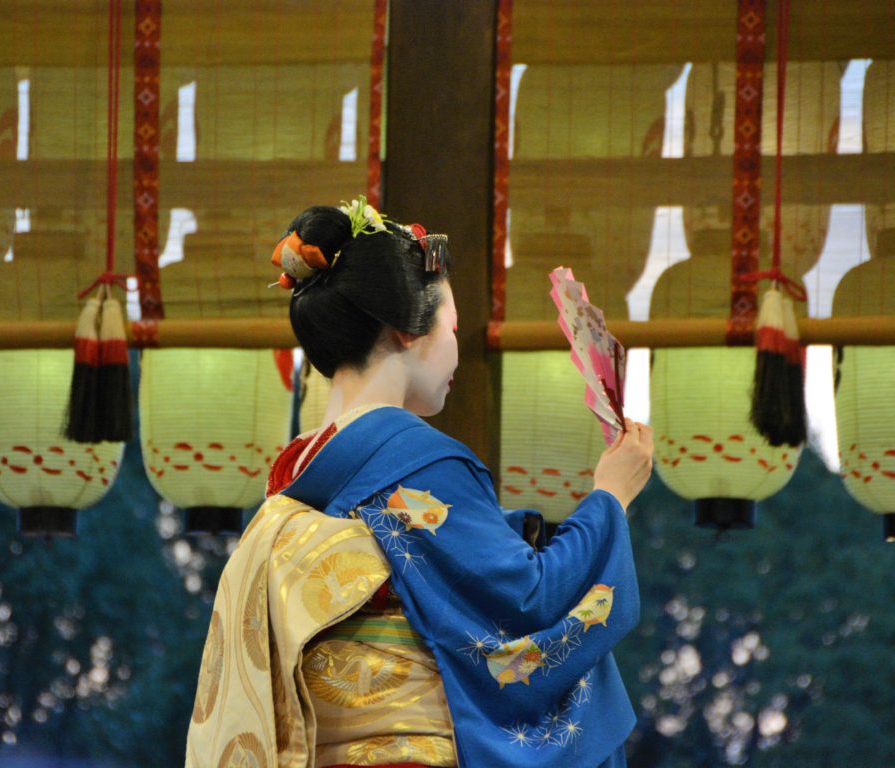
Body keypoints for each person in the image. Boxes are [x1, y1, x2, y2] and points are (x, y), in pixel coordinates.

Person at [185, 198, 654, 768]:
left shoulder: (300, 467)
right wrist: (611, 497)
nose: (456, 347)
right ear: (404, 332)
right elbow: (528, 602)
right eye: (451, 327)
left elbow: (436, 574)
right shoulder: (420, 463)